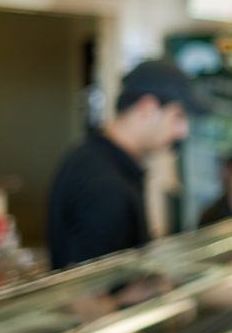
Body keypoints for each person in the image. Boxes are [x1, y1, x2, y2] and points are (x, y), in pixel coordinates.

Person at [48, 59, 208, 269]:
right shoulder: (104, 184)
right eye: (178, 116)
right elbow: (86, 296)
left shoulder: (96, 157)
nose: (183, 131)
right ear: (147, 108)